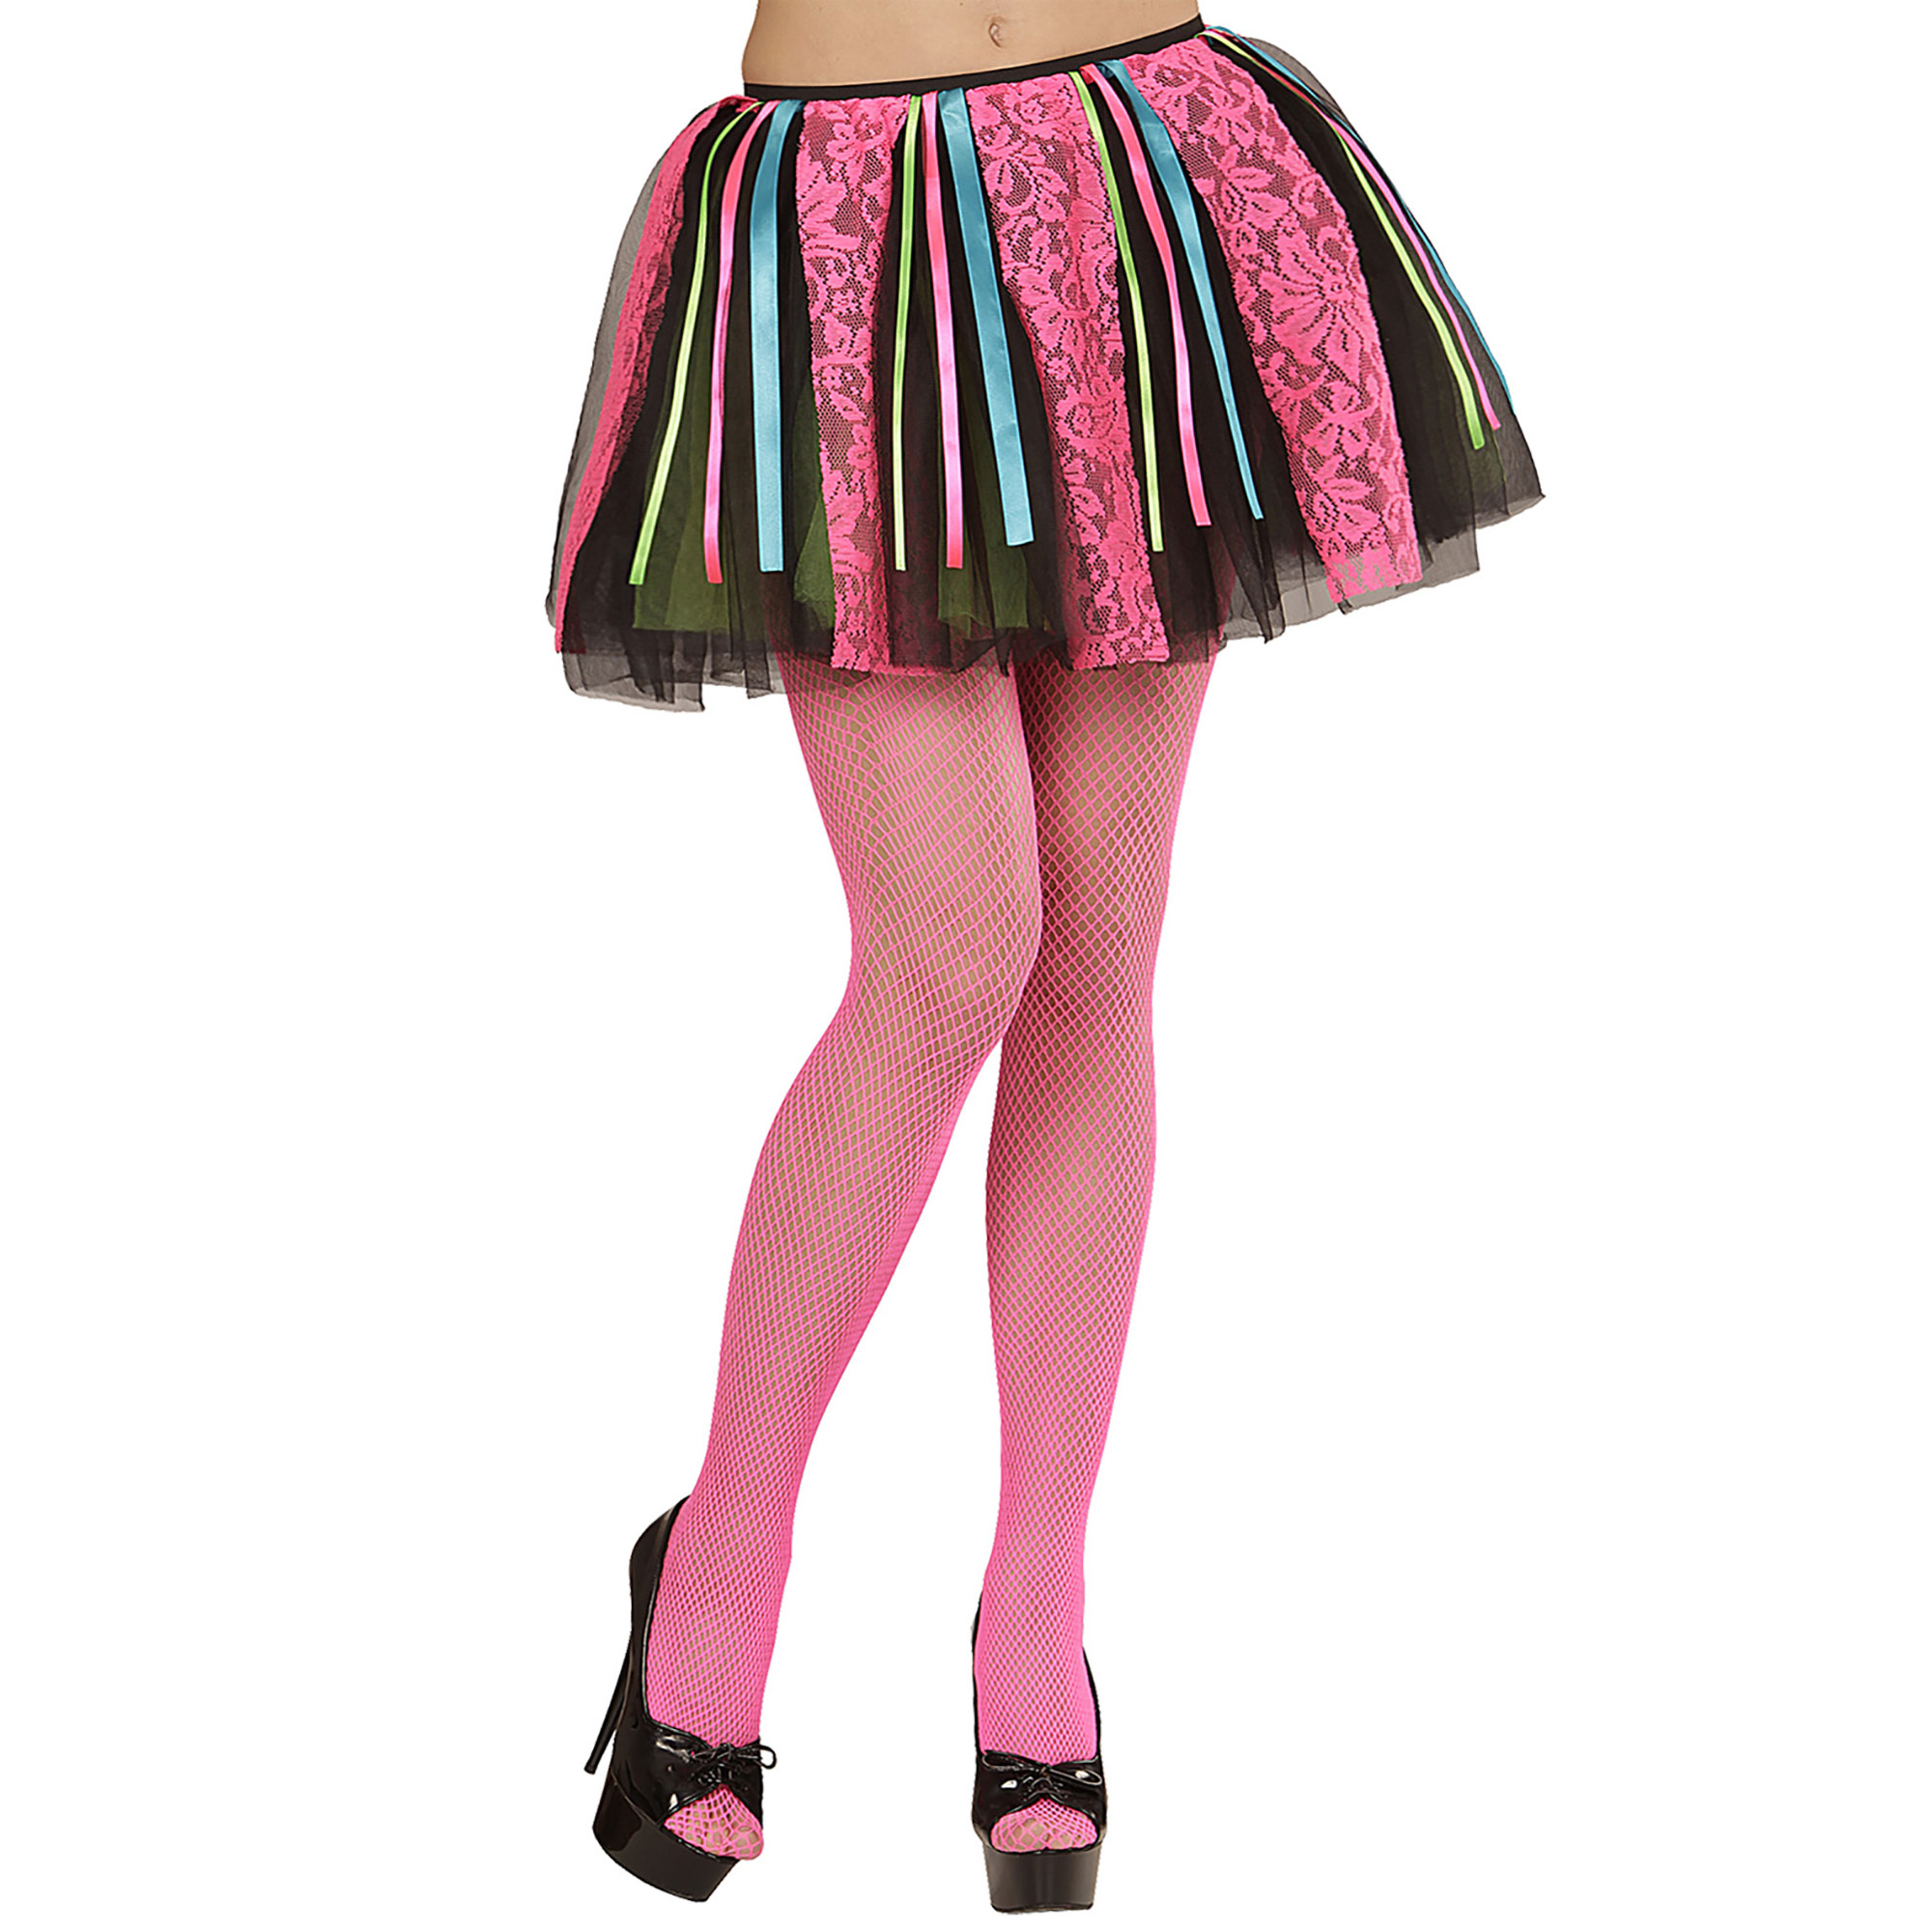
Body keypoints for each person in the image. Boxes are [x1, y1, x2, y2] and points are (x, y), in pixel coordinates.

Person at [553, 2, 1543, 1910]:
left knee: (1095, 945)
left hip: (1125, 170)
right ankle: (721, 1561)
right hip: (846, 212)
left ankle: (1039, 1608)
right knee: (949, 948)